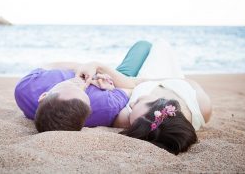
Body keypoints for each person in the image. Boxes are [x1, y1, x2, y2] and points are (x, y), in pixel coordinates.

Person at [76, 39, 212, 155]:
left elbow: (123, 91)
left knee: (143, 46)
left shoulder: (135, 120)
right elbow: (187, 82)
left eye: (131, 116)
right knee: (161, 44)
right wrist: (146, 81)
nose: (130, 104)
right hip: (152, 78)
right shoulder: (203, 108)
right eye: (137, 103)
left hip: (131, 79)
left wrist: (111, 88)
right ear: (160, 101)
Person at [14, 41, 152, 132]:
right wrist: (100, 70)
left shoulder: (23, 90)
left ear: (43, 96)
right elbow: (132, 86)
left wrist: (80, 67)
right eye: (85, 91)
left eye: (72, 84)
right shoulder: (106, 105)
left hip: (91, 72)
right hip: (114, 78)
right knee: (144, 45)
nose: (82, 84)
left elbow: (48, 65)